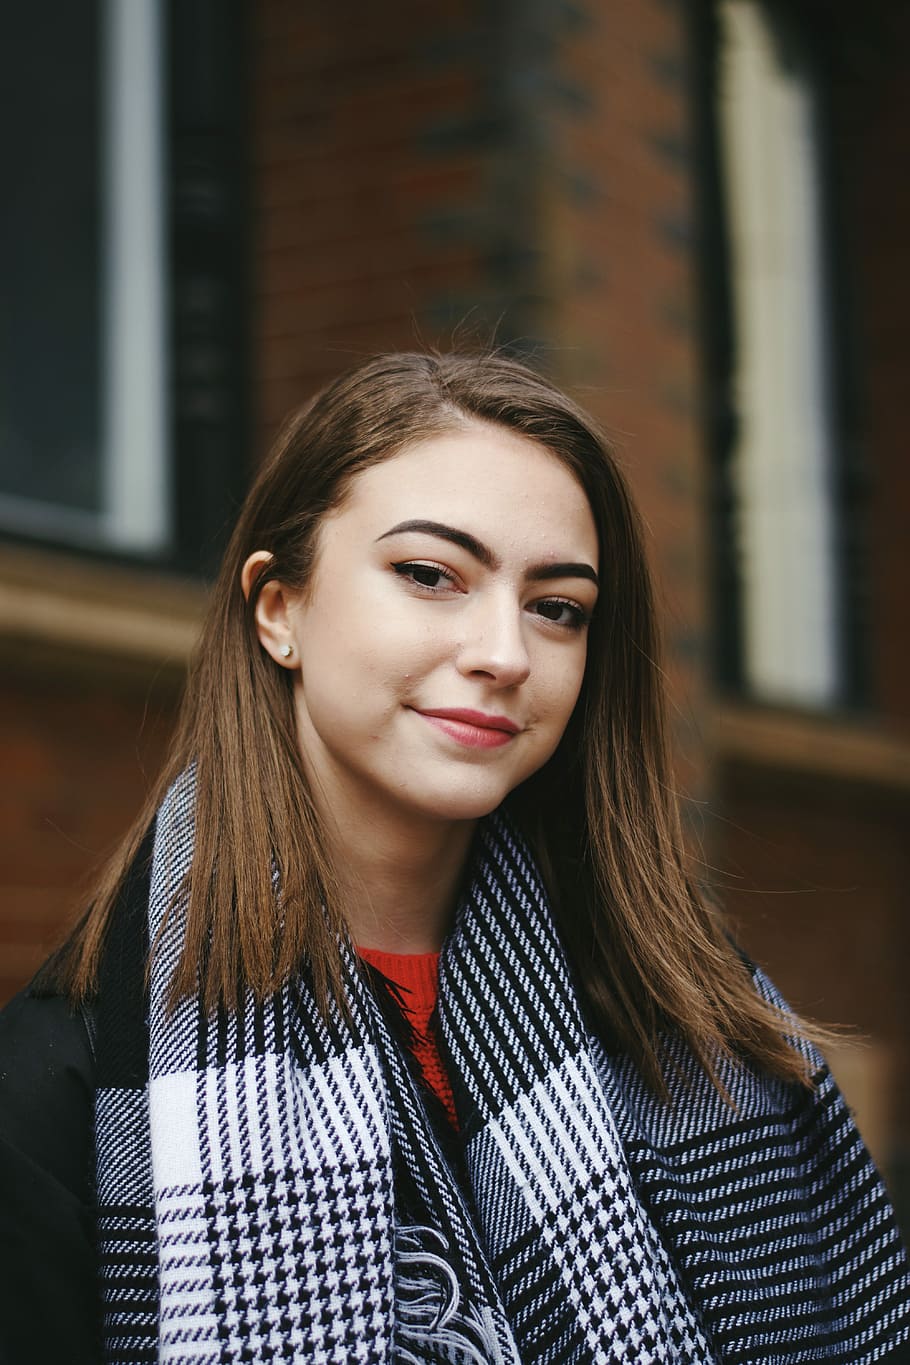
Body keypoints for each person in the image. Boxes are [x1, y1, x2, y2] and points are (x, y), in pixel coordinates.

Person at [1, 351, 908, 1365]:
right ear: (277, 609)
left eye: (555, 606)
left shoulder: (703, 1033)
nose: (504, 653)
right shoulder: (62, 1092)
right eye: (430, 576)